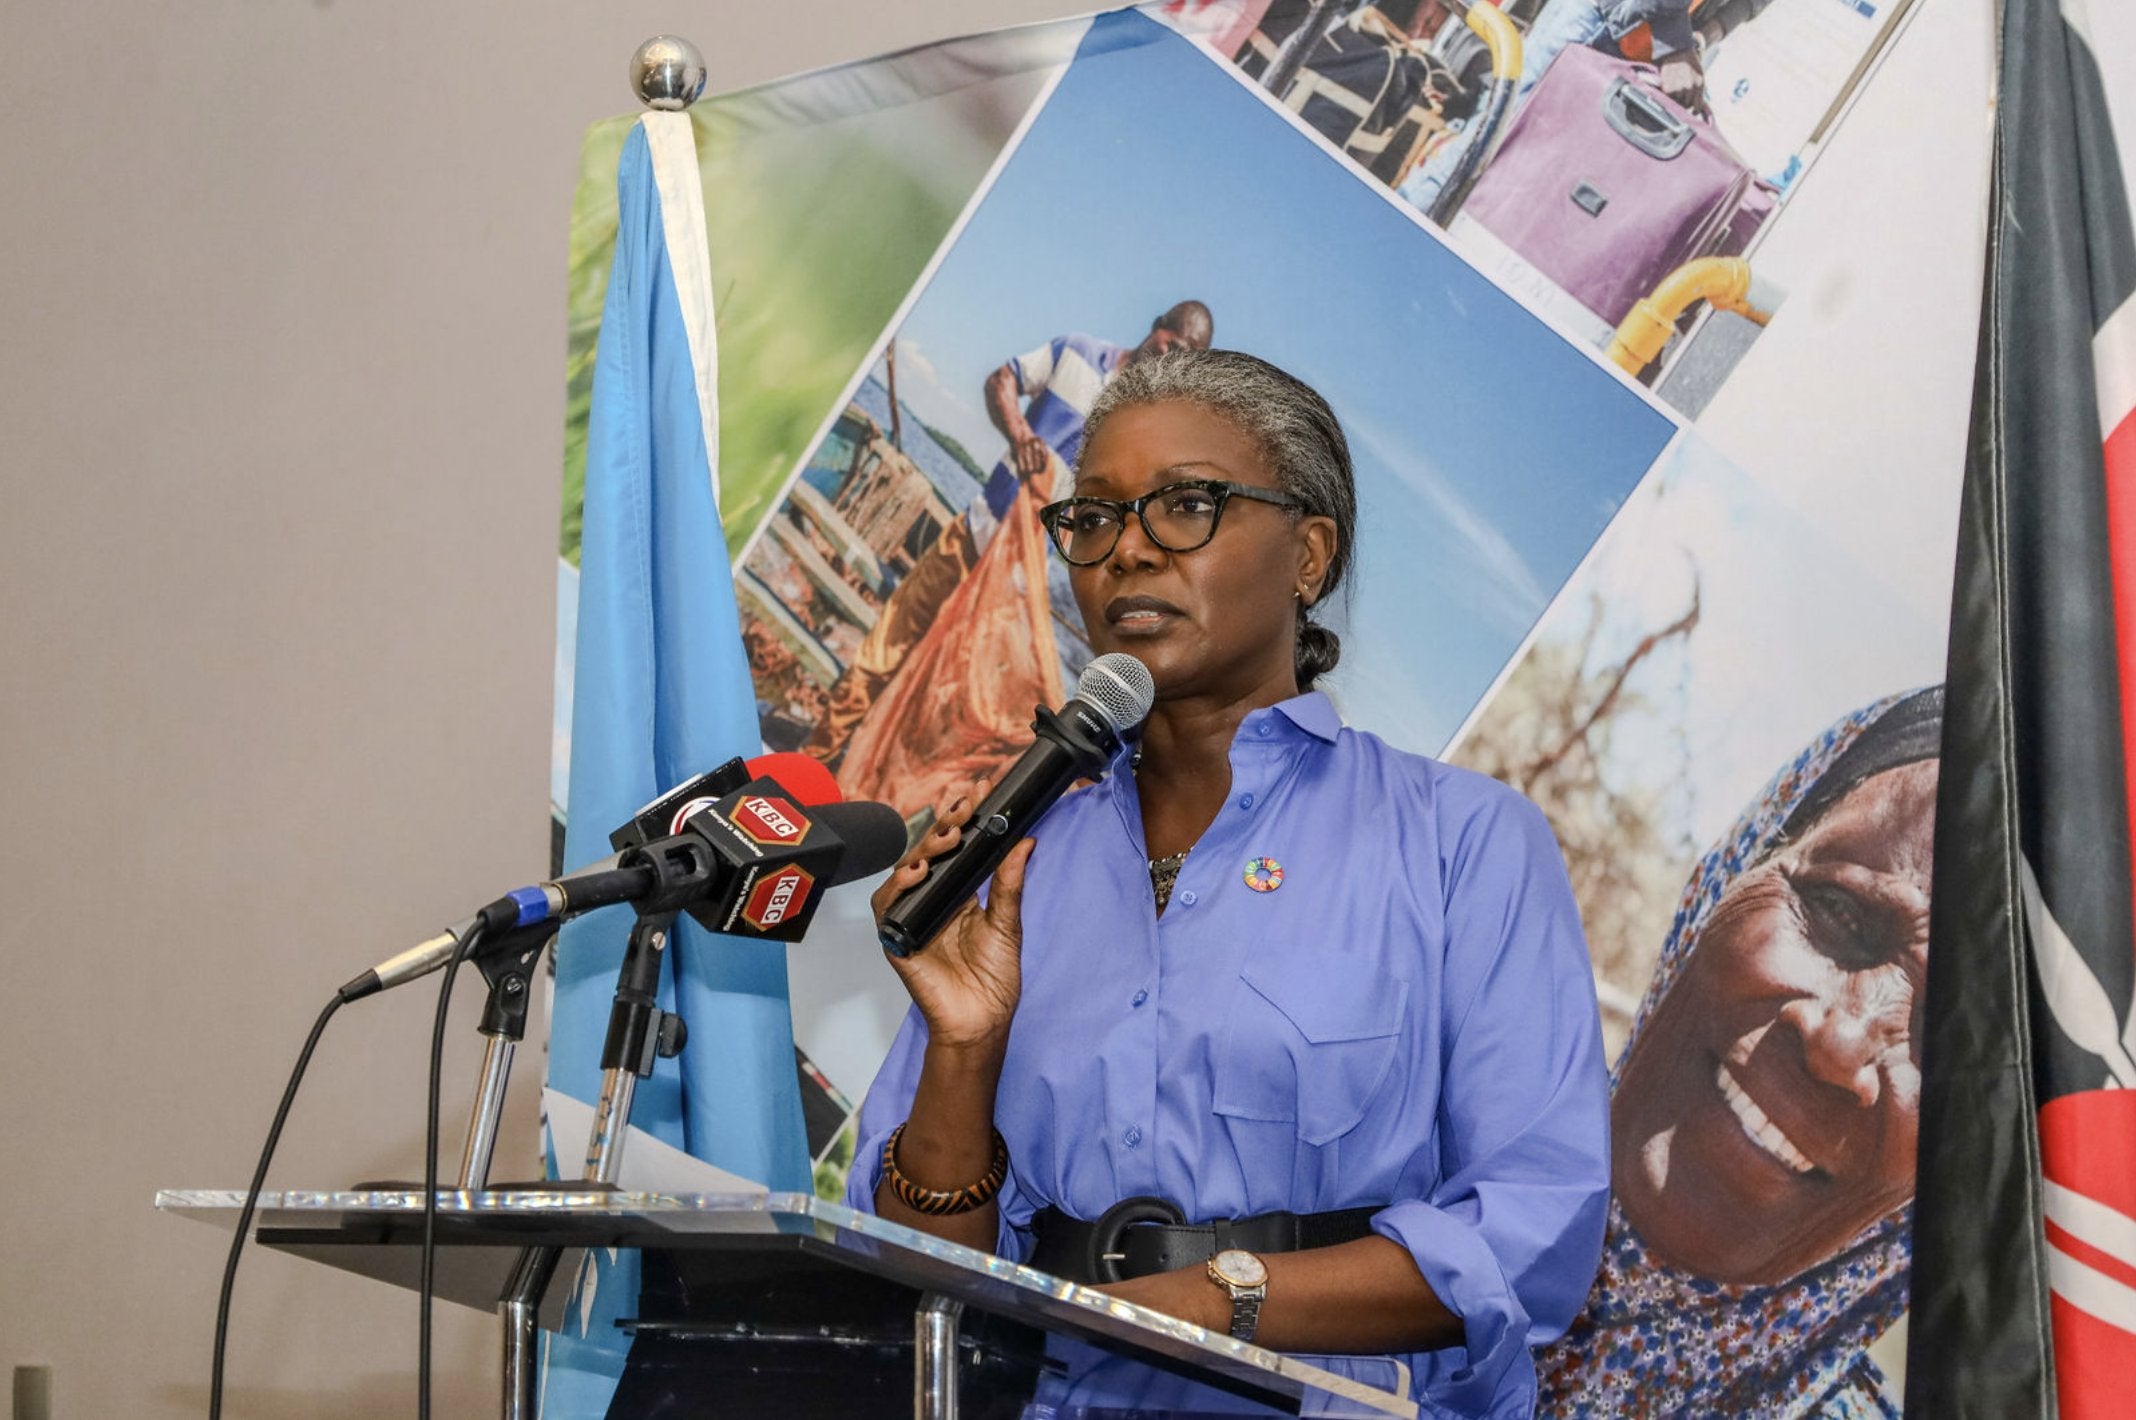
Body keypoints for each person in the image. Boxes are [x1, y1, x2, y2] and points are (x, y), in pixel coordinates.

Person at [846, 348, 1611, 1415]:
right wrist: (965, 1051)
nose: (1128, 553)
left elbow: (1534, 1229)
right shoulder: (1023, 857)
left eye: (1187, 506)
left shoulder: (1462, 845)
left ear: (1308, 554)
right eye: (1096, 518)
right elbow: (922, 1269)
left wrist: (1219, 1296)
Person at [1537, 687, 1943, 1418]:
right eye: (1841, 912)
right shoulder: (1363, 1163)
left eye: (1947, 1036)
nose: (1842, 1044)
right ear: (1733, 869)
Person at [806, 301, 1214, 767]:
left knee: (950, 699)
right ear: (1156, 326)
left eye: (1183, 353)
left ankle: (869, 777)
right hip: (970, 540)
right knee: (886, 651)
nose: (1170, 353)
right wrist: (1021, 435)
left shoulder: (1141, 426)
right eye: (1171, 341)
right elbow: (1001, 380)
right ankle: (815, 759)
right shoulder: (1076, 353)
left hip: (1014, 588)